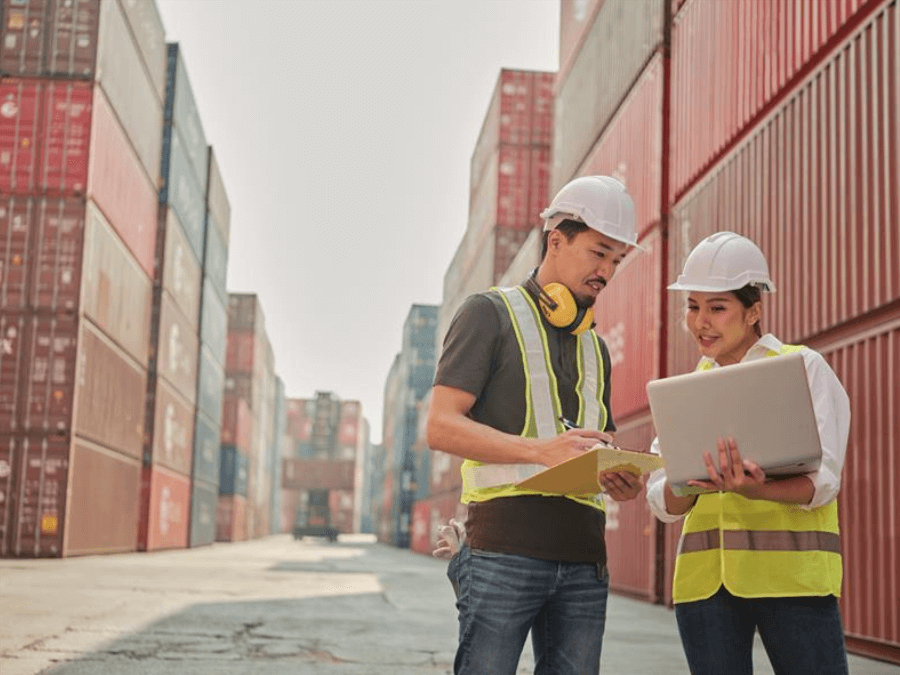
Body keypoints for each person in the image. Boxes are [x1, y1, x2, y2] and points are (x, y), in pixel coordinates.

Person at [427, 176, 645, 675]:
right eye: (598, 253)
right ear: (555, 240)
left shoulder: (597, 347)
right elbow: (440, 427)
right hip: (503, 555)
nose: (607, 272)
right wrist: (540, 451)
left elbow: (592, 451)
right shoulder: (488, 314)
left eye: (616, 260)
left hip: (586, 563)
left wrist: (622, 481)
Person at [645, 231, 851, 675]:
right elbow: (661, 499)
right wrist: (686, 485)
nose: (700, 321)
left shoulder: (803, 368)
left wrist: (757, 491)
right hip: (705, 592)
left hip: (793, 584)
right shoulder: (684, 391)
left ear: (754, 310)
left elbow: (826, 481)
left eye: (717, 307)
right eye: (693, 306)